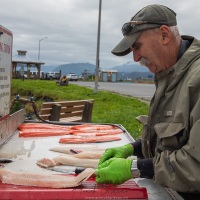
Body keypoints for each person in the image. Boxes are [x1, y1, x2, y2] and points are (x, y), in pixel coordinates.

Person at [95, 4, 200, 199]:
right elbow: (169, 139)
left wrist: (135, 167)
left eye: (137, 46)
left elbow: (196, 165)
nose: (135, 58)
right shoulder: (168, 74)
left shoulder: (196, 79)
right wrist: (133, 148)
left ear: (164, 35)